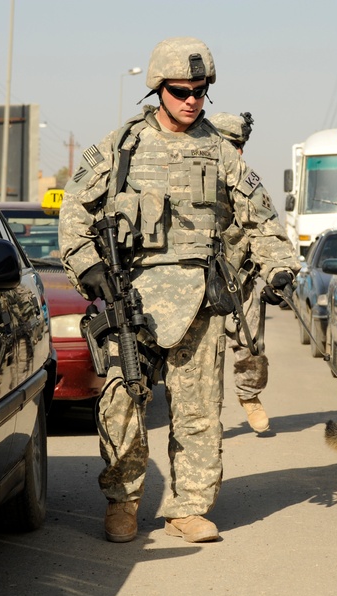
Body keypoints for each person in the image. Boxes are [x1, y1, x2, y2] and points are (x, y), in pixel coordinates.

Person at [59, 37, 299, 545]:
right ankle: (123, 502)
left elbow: (261, 214)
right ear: (158, 90)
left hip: (201, 299)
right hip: (133, 299)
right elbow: (75, 211)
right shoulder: (121, 146)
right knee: (122, 404)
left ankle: (187, 508)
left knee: (198, 409)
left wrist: (279, 266)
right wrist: (88, 268)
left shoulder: (219, 150)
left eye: (200, 91)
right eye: (180, 91)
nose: (191, 100)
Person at [208, 111, 270, 433]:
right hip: (198, 286)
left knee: (251, 347)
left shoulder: (246, 181)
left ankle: (249, 397)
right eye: (232, 144)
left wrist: (276, 270)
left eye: (240, 145)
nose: (238, 152)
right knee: (207, 355)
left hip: (240, 281)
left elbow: (264, 228)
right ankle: (208, 416)